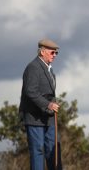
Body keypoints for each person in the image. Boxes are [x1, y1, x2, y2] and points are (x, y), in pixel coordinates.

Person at [19, 38, 63, 170]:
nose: (55, 55)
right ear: (42, 52)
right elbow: (30, 91)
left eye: (56, 53)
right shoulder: (33, 67)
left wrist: (52, 105)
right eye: (52, 52)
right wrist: (48, 105)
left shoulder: (50, 70)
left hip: (48, 117)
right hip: (34, 118)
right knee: (38, 151)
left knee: (53, 149)